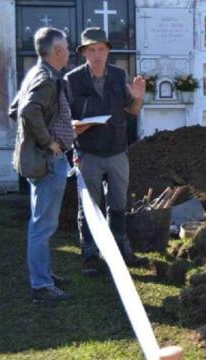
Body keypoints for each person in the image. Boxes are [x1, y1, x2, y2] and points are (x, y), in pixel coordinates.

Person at [65, 27, 148, 276]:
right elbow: (65, 120)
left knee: (118, 204)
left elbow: (132, 111)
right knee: (89, 207)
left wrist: (138, 97)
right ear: (83, 53)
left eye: (101, 49)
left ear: (108, 51)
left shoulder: (119, 75)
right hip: (88, 153)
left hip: (117, 151)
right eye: (92, 50)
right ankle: (90, 255)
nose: (97, 54)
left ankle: (121, 251)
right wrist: (83, 125)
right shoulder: (72, 80)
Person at [9, 27, 73, 302]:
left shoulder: (36, 73)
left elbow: (15, 109)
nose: (69, 51)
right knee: (42, 225)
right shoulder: (46, 79)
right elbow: (26, 111)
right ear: (57, 51)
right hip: (47, 162)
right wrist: (48, 142)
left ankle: (44, 274)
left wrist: (40, 135)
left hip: (41, 160)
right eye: (67, 47)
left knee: (43, 223)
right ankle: (41, 286)